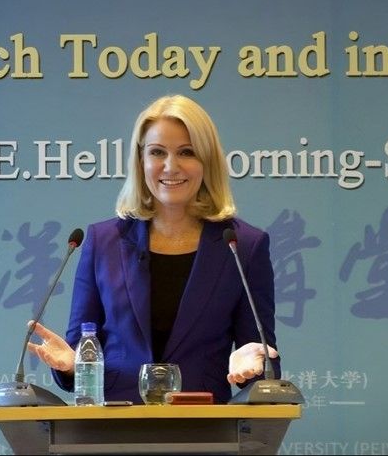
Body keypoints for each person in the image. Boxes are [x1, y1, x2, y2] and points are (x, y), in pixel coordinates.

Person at [27, 94, 280, 404]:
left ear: (208, 160)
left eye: (187, 152)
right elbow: (82, 347)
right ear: (141, 161)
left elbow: (263, 358)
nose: (171, 166)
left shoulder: (244, 246)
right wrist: (70, 365)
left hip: (205, 423)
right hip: (114, 422)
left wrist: (255, 366)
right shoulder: (103, 241)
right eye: (157, 152)